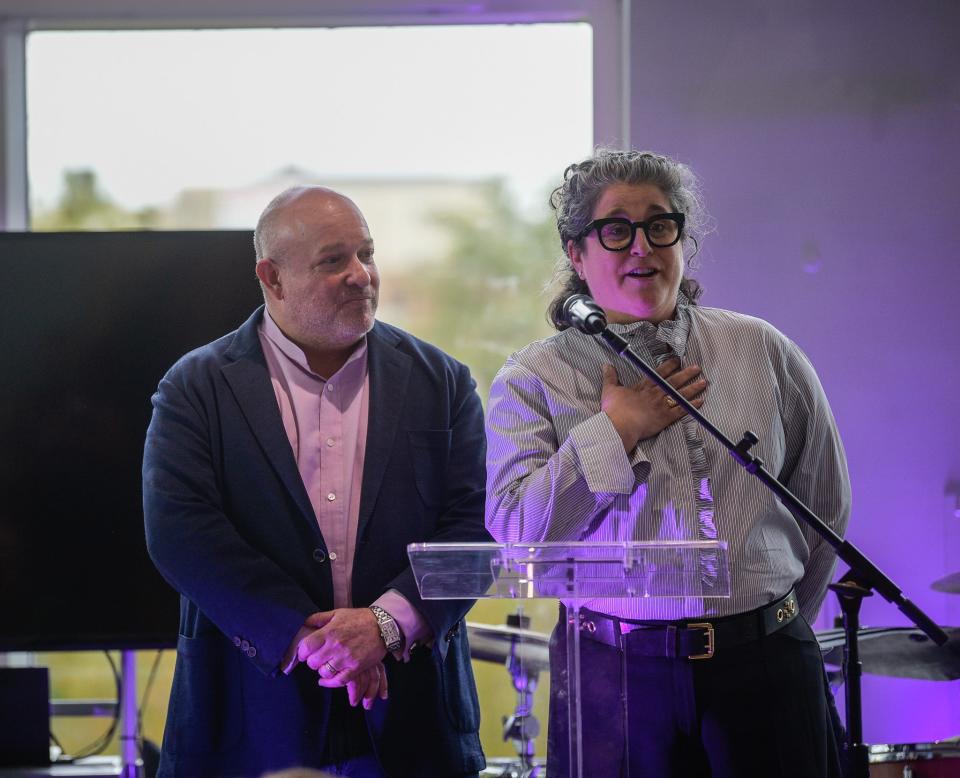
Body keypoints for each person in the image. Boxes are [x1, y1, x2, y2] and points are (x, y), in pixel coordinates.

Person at [484, 150, 851, 777]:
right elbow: (521, 538)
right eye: (616, 230)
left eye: (660, 225)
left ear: (683, 237)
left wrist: (767, 623)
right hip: (613, 677)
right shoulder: (531, 378)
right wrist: (618, 430)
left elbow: (822, 507)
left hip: (764, 664)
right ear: (577, 254)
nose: (641, 248)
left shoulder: (759, 348)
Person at [143, 186, 488, 778]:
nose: (362, 276)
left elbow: (478, 533)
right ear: (271, 277)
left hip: (413, 721)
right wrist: (312, 639)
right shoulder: (196, 386)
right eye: (334, 260)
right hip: (250, 717)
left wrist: (384, 626)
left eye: (367, 254)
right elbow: (182, 534)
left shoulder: (443, 382)